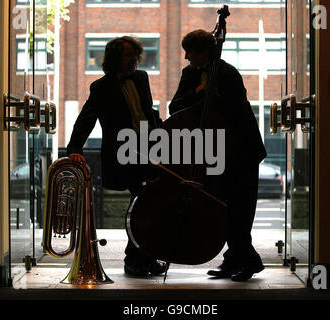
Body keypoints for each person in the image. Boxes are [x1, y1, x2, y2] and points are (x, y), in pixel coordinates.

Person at [168, 29, 267, 282]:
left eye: (190, 52)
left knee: (240, 208)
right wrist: (199, 92)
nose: (187, 57)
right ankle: (235, 259)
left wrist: (217, 96)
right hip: (215, 150)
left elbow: (237, 112)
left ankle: (246, 260)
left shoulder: (228, 73)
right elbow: (175, 106)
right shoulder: (190, 74)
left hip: (240, 149)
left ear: (204, 51)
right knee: (225, 206)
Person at [66, 36, 166, 277]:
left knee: (148, 205)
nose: (133, 59)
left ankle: (142, 258)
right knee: (140, 205)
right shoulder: (101, 87)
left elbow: (147, 113)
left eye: (135, 54)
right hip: (126, 151)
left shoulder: (142, 78)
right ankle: (136, 260)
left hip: (149, 149)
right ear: (115, 59)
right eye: (127, 55)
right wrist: (74, 148)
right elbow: (87, 118)